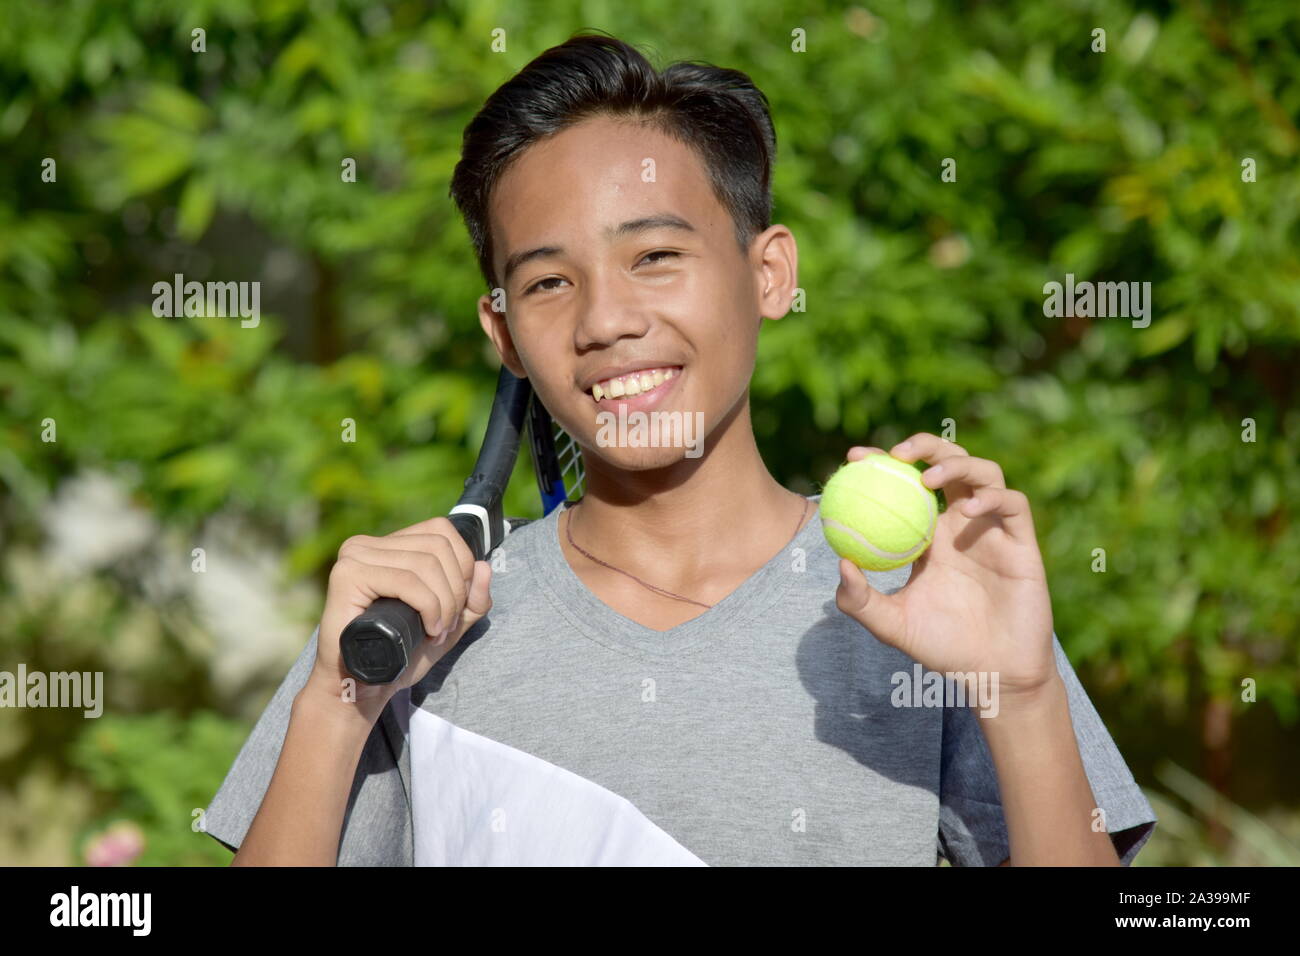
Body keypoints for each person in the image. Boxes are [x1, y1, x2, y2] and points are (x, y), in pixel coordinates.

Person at [203, 31, 1156, 866]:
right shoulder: (409, 628)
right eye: (546, 283)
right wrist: (338, 703)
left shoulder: (928, 599)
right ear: (503, 338)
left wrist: (1022, 695)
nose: (607, 320)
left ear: (770, 273)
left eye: (655, 257)